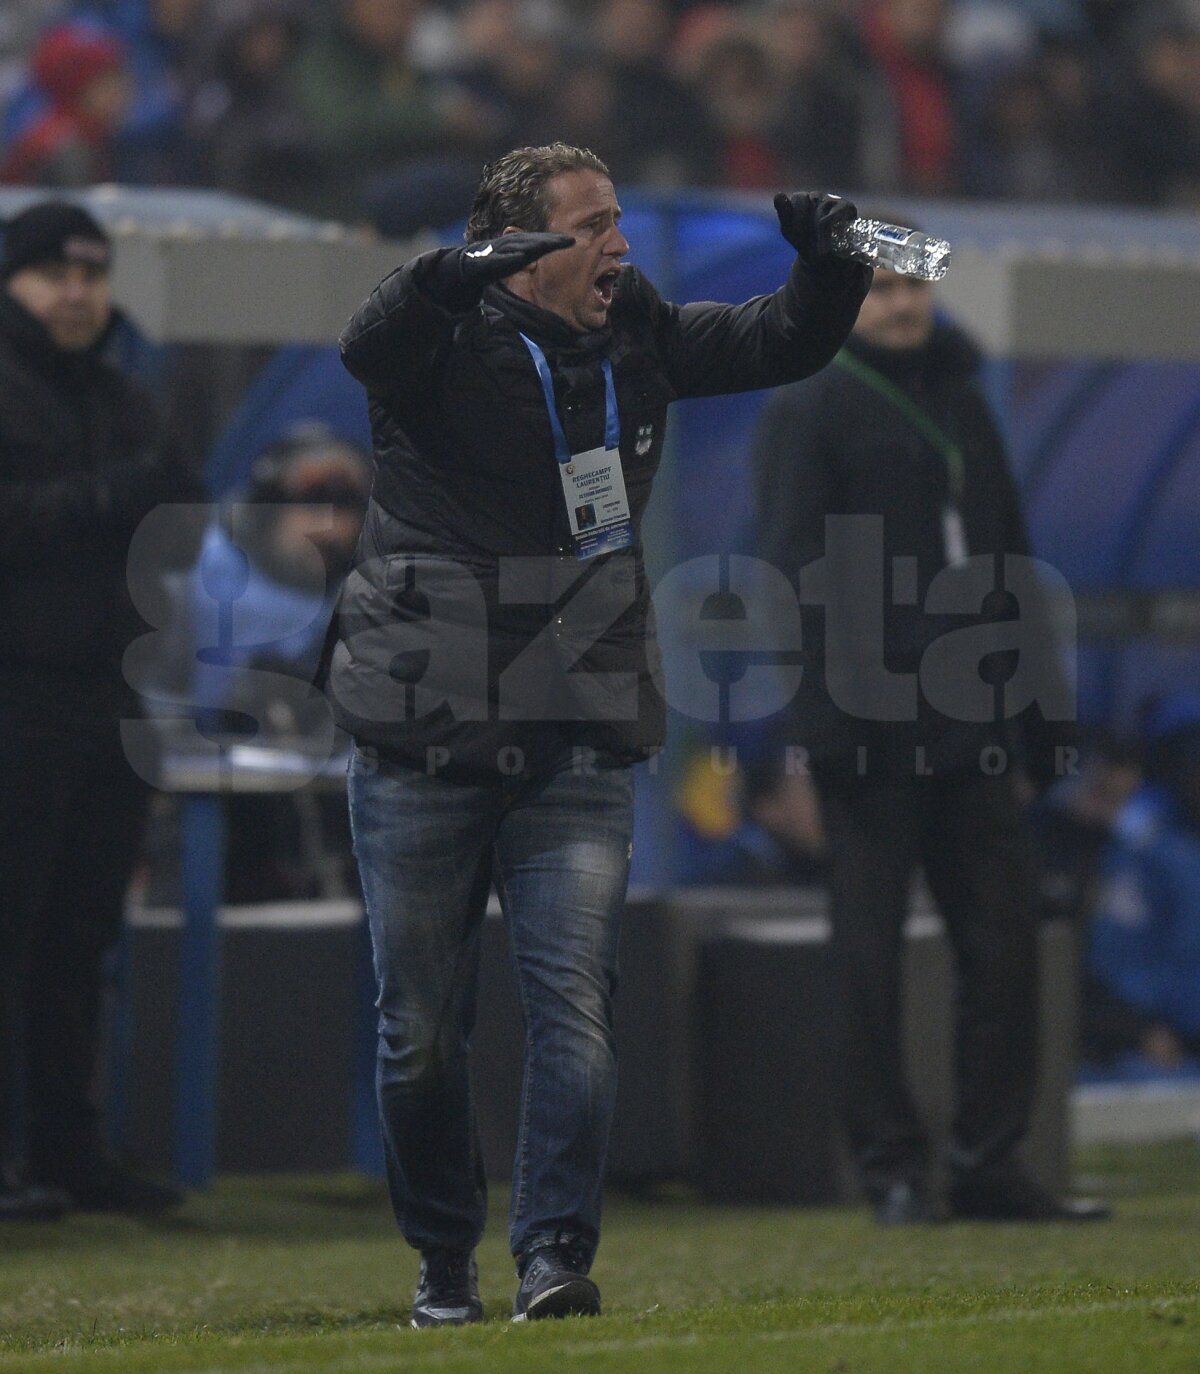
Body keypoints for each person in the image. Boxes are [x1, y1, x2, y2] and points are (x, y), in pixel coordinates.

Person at [325, 143, 869, 1323]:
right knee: (420, 1028)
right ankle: (440, 1263)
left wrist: (831, 268)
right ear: (520, 253)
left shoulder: (642, 336)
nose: (619, 244)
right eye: (592, 227)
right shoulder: (440, 345)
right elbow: (366, 346)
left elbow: (783, 338)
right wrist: (444, 275)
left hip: (581, 718)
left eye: (620, 220)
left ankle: (553, 1256)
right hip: (425, 726)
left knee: (572, 1003)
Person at [752, 250, 1108, 1225]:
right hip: (869, 737)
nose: (905, 304)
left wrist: (1041, 722)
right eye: (883, 288)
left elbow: (1012, 563)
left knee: (1004, 954)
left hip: (976, 731)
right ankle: (894, 1170)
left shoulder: (963, 397)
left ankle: (991, 1164)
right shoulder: (811, 404)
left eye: (915, 286)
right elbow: (792, 574)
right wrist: (815, 731)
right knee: (867, 962)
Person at [0, 201, 193, 1219]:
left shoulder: (124, 395)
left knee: (79, 938)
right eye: (51, 275)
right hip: (15, 697)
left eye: (91, 275)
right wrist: (114, 499)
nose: (75, 294)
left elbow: (183, 522)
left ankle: (67, 1151)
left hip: (109, 697)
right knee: (10, 934)